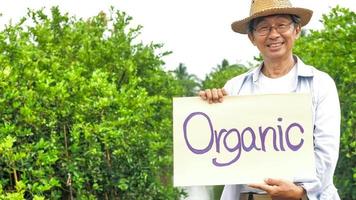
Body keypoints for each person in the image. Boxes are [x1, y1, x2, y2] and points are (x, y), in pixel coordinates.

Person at [199, 0, 341, 199]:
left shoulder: (320, 84)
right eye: (263, 28)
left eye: (282, 25)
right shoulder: (234, 88)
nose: (273, 34)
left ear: (297, 30)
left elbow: (326, 149)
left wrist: (300, 191)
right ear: (252, 37)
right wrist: (210, 105)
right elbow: (214, 147)